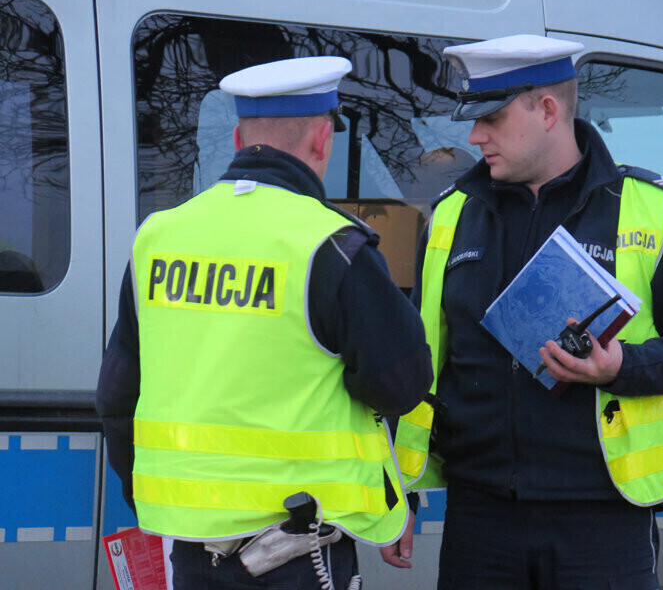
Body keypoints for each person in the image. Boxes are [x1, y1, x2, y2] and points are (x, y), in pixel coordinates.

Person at [381, 35, 663, 589]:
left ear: (547, 110)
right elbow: (424, 356)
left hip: (602, 519)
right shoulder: (453, 214)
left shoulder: (650, 208)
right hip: (480, 515)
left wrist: (622, 366)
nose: (474, 136)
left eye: (493, 119)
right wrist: (399, 492)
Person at [96, 56, 432, 589]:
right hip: (300, 549)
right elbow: (402, 384)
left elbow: (117, 394)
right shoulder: (332, 246)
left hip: (193, 549)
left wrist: (151, 494)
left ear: (237, 138)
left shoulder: (158, 237)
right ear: (323, 140)